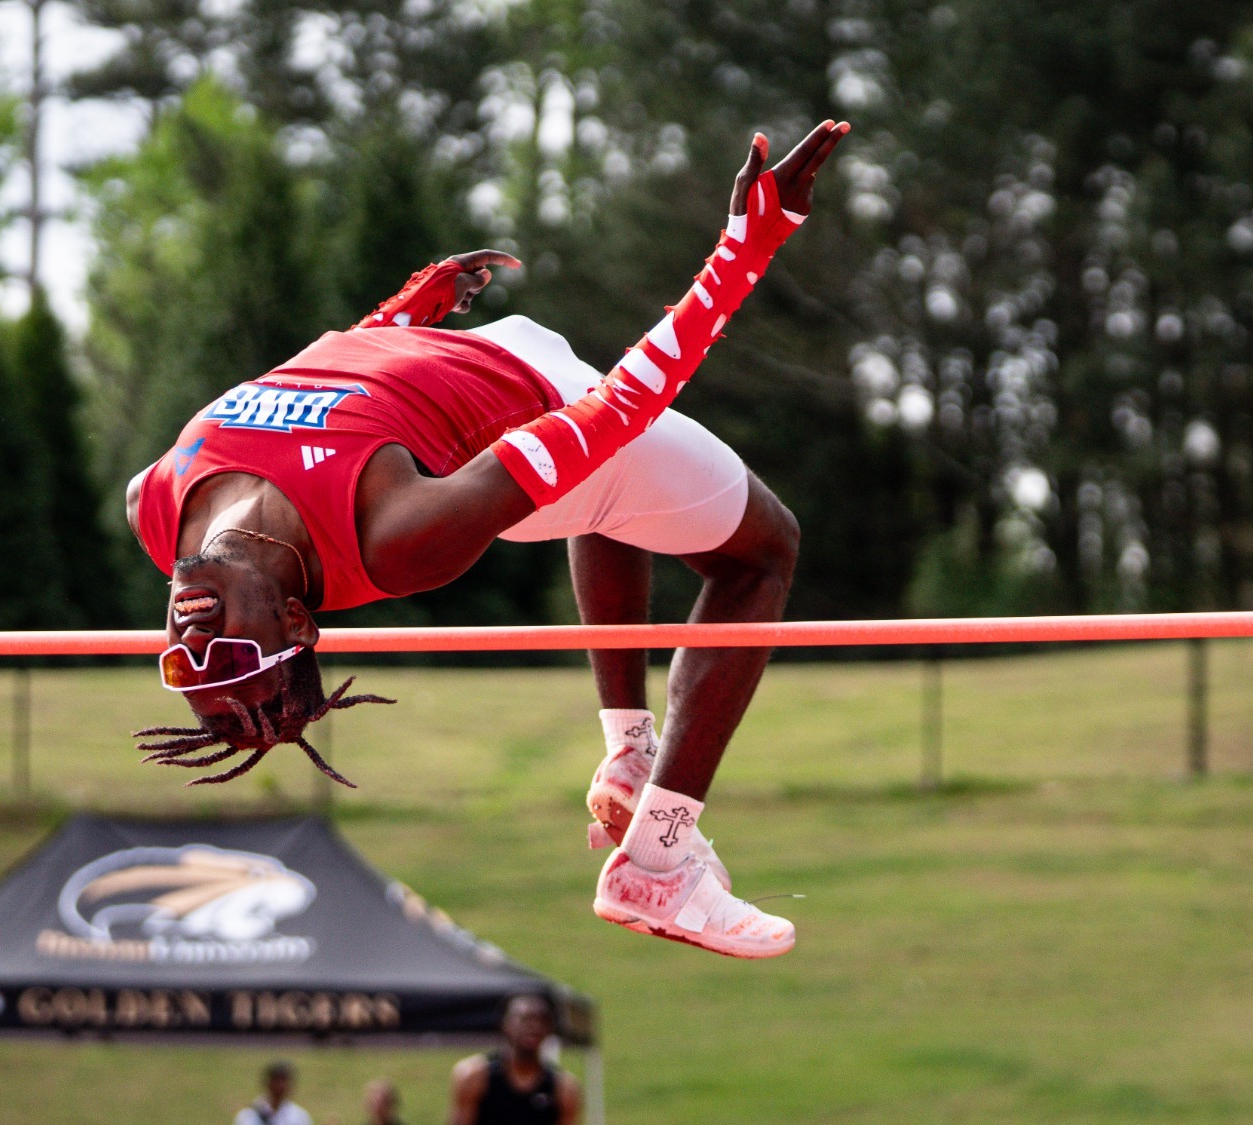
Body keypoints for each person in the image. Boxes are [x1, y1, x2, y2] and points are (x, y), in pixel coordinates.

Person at [129, 121, 851, 959]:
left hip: (482, 371)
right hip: (553, 407)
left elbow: (321, 387)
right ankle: (658, 861)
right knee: (764, 550)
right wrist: (748, 245)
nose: (196, 641)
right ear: (296, 621)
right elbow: (615, 412)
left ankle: (628, 757)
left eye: (186, 667)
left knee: (613, 509)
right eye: (232, 660)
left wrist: (400, 318)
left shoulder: (157, 504)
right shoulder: (398, 538)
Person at [448, 995, 580, 1125]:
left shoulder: (563, 1088)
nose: (534, 1027)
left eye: (542, 1020)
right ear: (505, 1024)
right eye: (525, 1019)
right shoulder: (475, 1077)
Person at [235, 1060, 313, 1125]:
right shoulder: (248, 1115)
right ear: (267, 1083)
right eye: (276, 1081)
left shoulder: (299, 1116)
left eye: (283, 1081)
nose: (280, 1086)